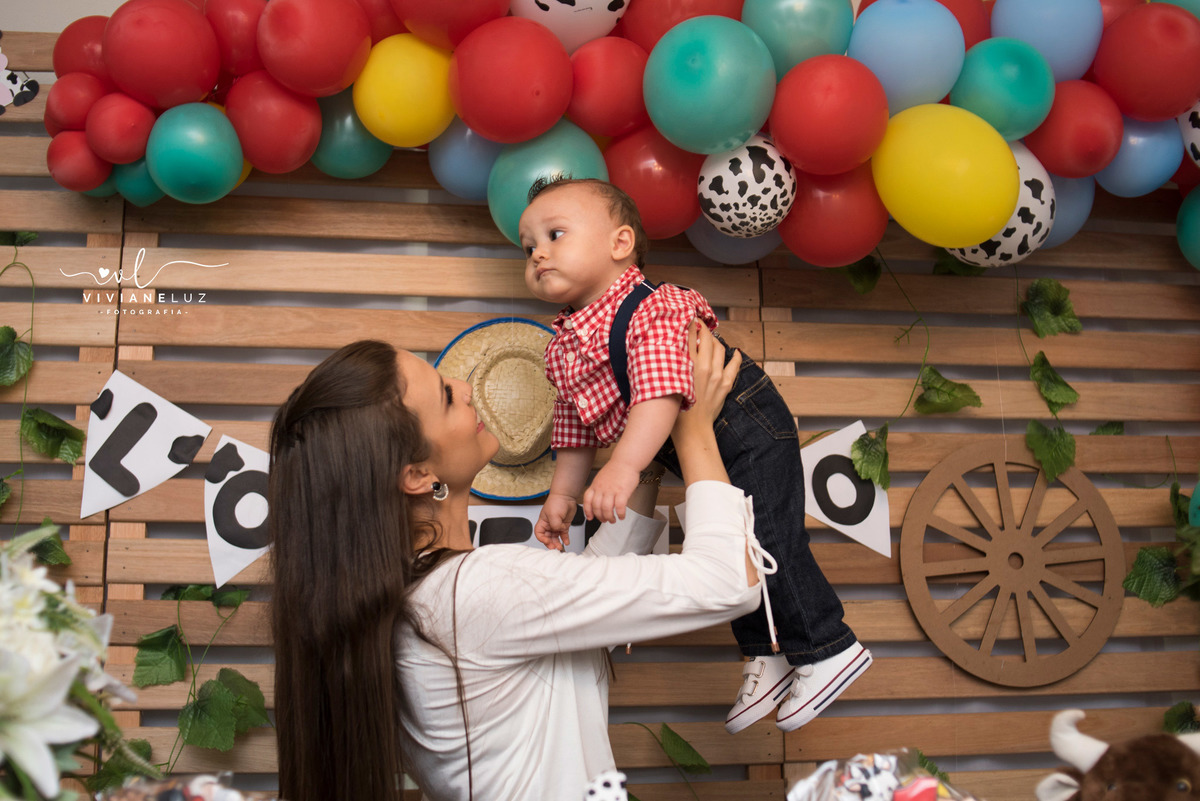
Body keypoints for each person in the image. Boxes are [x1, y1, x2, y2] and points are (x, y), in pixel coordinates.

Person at [268, 326, 766, 801]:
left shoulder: (417, 600)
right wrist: (691, 427)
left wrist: (647, 459)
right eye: (444, 395)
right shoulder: (473, 591)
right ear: (417, 474)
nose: (463, 387)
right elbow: (727, 581)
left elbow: (584, 602)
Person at [519, 177, 872, 736]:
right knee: (739, 544)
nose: (537, 251)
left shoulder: (652, 308)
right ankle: (771, 652)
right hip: (697, 440)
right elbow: (575, 426)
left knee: (770, 539)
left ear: (620, 243)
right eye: (528, 245)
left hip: (745, 424)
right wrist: (562, 494)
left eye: (555, 234)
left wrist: (626, 465)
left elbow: (661, 391)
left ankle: (829, 648)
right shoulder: (564, 344)